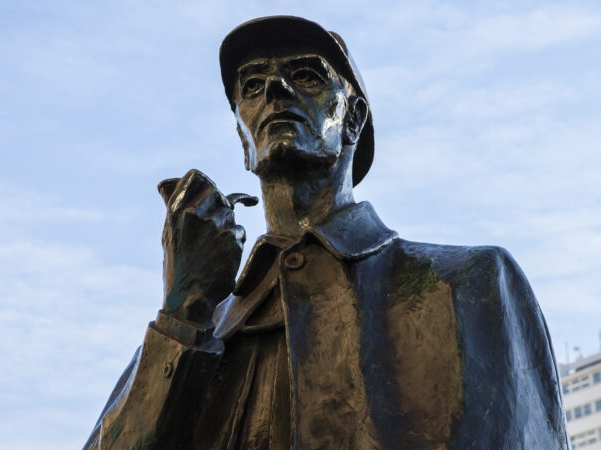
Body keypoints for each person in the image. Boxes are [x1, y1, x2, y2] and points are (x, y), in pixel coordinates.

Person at [84, 16, 569, 450]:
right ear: (242, 140)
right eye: (252, 86)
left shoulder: (467, 282)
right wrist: (183, 312)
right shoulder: (195, 329)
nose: (275, 90)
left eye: (306, 76)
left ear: (353, 118)